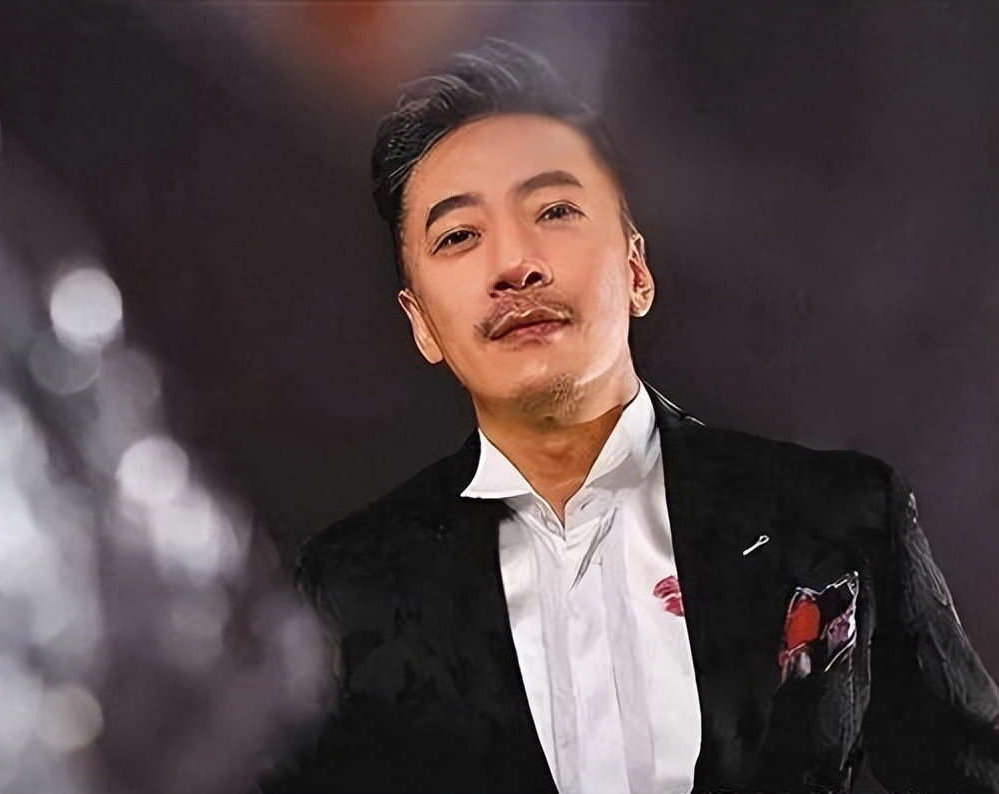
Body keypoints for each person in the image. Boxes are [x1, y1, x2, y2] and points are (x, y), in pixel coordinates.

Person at [262, 40, 999, 794]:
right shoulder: (349, 586)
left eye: (554, 211)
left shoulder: (839, 516)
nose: (515, 265)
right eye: (458, 236)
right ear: (421, 324)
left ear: (636, 269)